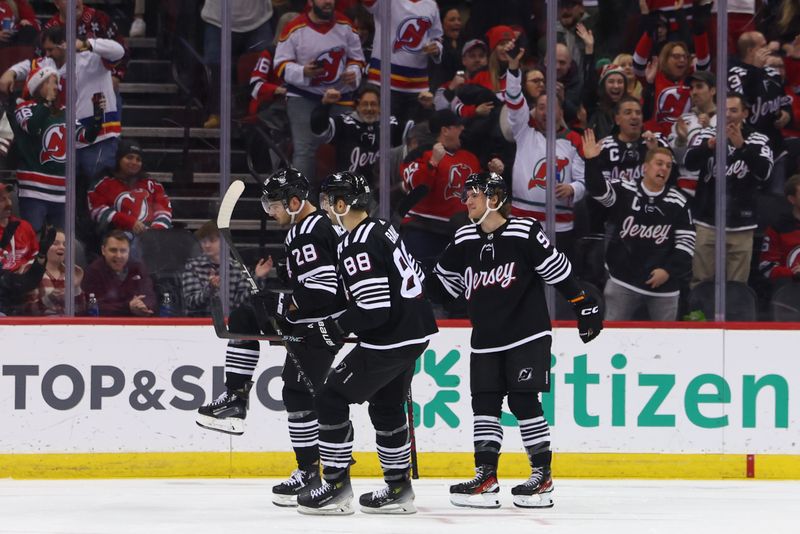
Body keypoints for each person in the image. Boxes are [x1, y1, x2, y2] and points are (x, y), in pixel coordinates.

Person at [426, 171, 602, 509]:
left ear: (494, 199)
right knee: (485, 406)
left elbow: (558, 270)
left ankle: (542, 474)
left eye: (474, 195)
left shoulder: (524, 231)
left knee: (523, 402)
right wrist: (412, 288)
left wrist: (583, 304)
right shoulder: (464, 238)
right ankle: (486, 476)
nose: (467, 201)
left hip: (527, 333)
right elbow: (442, 282)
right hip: (486, 338)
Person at [196, 168, 345, 509]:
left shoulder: (310, 231)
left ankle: (310, 472)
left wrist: (280, 301)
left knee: (297, 391)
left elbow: (323, 293)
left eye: (274, 206)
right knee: (248, 315)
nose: (271, 213)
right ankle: (235, 398)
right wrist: (282, 286)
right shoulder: (306, 230)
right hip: (309, 317)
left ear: (295, 202)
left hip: (320, 323)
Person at [297, 171, 437, 515]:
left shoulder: (357, 242)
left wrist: (330, 328)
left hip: (390, 339)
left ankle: (335, 486)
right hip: (413, 333)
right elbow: (408, 280)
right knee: (386, 406)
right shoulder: (381, 229)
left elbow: (373, 310)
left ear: (343, 204)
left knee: (330, 397)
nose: (326, 210)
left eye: (330, 203)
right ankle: (399, 489)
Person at [584, 134, 695, 320]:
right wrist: (591, 161)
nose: (664, 169)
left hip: (664, 288)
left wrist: (668, 270)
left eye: (668, 166)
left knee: (665, 343)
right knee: (612, 336)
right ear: (645, 167)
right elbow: (599, 192)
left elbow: (687, 243)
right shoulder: (625, 189)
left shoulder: (678, 201)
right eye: (659, 163)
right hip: (623, 281)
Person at [1, 26, 125, 188]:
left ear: (64, 45)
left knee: (99, 188)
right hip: (68, 138)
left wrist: (87, 44)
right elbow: (28, 66)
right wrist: (11, 73)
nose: (47, 54)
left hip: (100, 136)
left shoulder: (93, 58)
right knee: (69, 194)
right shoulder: (48, 63)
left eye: (51, 49)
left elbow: (118, 51)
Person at [684, 94, 774, 288]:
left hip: (741, 224)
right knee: (701, 281)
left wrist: (742, 146)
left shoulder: (758, 139)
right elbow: (688, 163)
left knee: (737, 285)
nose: (729, 115)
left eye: (734, 110)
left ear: (745, 113)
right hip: (707, 222)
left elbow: (765, 173)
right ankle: (700, 318)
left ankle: (734, 318)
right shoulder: (706, 135)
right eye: (724, 110)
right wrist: (708, 146)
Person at [505, 46, 585, 261]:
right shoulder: (524, 131)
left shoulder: (574, 140)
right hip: (523, 224)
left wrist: (572, 188)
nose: (546, 111)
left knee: (557, 282)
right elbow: (513, 101)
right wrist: (513, 68)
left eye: (551, 106)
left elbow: (583, 182)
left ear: (560, 111)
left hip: (560, 227)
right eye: (541, 107)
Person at [273, 0, 365, 183]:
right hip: (303, 96)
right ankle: (302, 205)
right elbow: (280, 65)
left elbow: (358, 59)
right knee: (305, 149)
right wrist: (303, 72)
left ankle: (347, 198)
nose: (328, 2)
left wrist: (353, 72)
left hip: (340, 97)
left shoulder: (346, 26)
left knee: (349, 148)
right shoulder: (294, 28)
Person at [400, 109, 503, 270]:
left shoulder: (470, 158)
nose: (462, 129)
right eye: (458, 126)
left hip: (458, 234)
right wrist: (432, 163)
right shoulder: (422, 154)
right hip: (423, 232)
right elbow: (413, 186)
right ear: (445, 130)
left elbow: (480, 194)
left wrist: (493, 175)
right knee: (419, 284)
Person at [8, 64, 103, 231]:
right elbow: (33, 127)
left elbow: (86, 137)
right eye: (48, 82)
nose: (54, 87)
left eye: (55, 82)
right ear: (36, 86)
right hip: (34, 189)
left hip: (62, 191)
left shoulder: (65, 112)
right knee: (34, 235)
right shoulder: (24, 108)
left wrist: (98, 114)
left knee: (61, 240)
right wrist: (46, 104)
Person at [363, 0, 443, 126]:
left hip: (417, 86)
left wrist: (436, 47)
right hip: (383, 82)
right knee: (382, 134)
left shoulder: (431, 4)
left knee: (410, 138)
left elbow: (436, 35)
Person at [200, 0, 274, 128]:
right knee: (215, 65)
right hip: (217, 18)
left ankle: (260, 114)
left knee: (264, 64)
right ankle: (216, 113)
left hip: (258, 19)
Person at [310, 85, 401, 187]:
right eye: (365, 104)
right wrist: (325, 104)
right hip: (349, 189)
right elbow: (318, 130)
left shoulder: (391, 123)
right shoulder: (344, 121)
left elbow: (414, 140)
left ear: (380, 107)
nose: (369, 108)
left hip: (381, 190)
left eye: (373, 104)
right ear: (357, 106)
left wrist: (423, 108)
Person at [87, 139, 173, 241]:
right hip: (117, 241)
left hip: (152, 240)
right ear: (118, 159)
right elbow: (98, 211)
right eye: (129, 157)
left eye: (138, 159)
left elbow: (164, 212)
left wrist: (153, 232)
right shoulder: (103, 184)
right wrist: (130, 223)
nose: (134, 162)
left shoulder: (152, 185)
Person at [181, 220, 271, 316]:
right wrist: (209, 289)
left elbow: (241, 304)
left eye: (212, 240)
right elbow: (190, 303)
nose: (207, 245)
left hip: (229, 323)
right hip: (199, 325)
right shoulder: (192, 266)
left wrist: (257, 278)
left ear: (225, 241)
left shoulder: (239, 269)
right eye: (203, 241)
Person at [0, 181, 52, 315]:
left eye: (8, 198)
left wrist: (42, 254)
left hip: (23, 284)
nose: (9, 204)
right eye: (1, 200)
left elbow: (33, 264)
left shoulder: (23, 226)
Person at [81, 230, 156, 316]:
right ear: (103, 250)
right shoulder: (93, 271)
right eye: (113, 250)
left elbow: (150, 297)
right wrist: (128, 307)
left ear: (129, 252)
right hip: (105, 326)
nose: (119, 255)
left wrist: (143, 305)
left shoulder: (138, 268)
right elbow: (93, 306)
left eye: (123, 251)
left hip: (137, 325)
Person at [23, 229, 84, 315]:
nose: (62, 247)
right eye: (55, 243)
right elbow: (29, 310)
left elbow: (80, 310)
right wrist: (53, 297)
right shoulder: (31, 269)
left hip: (68, 326)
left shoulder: (72, 271)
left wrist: (76, 288)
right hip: (42, 326)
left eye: (65, 244)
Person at [759, 174, 800, 283]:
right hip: (787, 293)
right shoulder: (778, 228)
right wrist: (793, 273)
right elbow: (766, 267)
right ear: (792, 199)